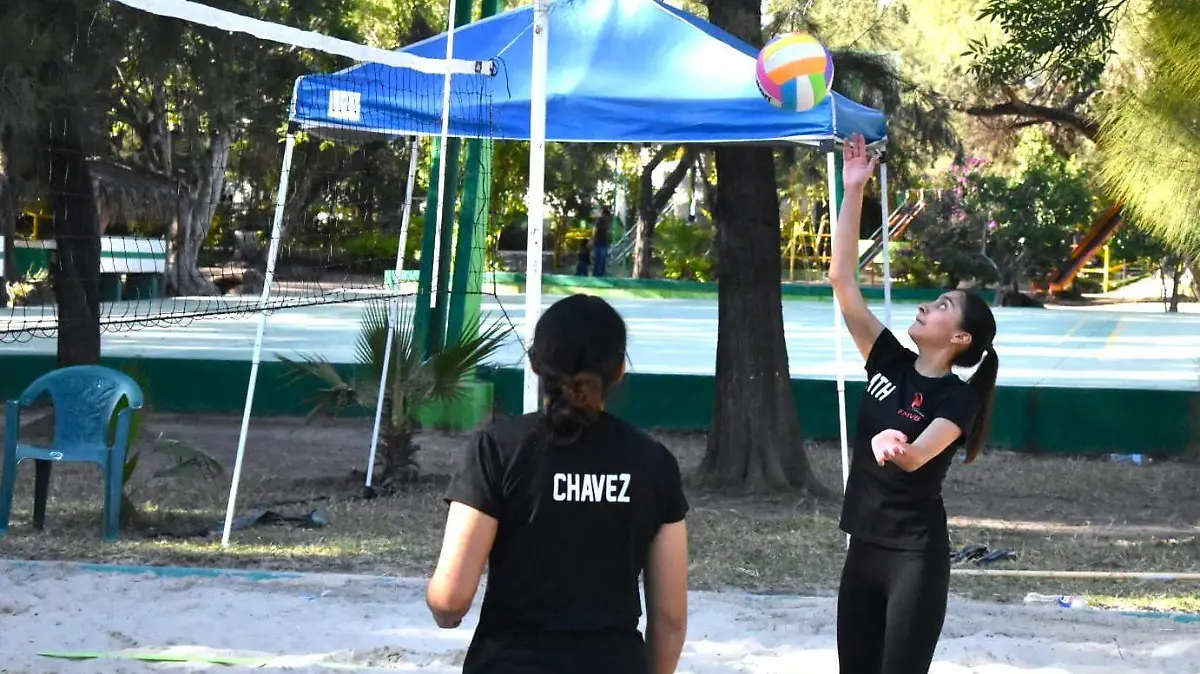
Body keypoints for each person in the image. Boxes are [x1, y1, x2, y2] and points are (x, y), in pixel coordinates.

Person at [426, 294, 690, 674]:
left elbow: (450, 599)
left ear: (536, 364)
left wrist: (438, 606)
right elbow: (670, 620)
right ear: (618, 371)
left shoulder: (496, 449)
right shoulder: (654, 462)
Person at [830, 134, 1000, 674]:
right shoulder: (888, 361)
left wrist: (889, 443)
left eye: (944, 306)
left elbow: (917, 454)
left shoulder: (958, 397)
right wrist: (853, 189)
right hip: (863, 548)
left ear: (960, 340)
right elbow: (841, 280)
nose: (928, 305)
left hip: (914, 560)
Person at [592, 207, 612, 276]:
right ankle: (597, 273)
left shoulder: (606, 222)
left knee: (602, 259)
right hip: (599, 242)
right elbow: (595, 231)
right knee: (599, 259)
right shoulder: (599, 221)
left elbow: (607, 233)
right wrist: (593, 240)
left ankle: (600, 273)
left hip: (603, 243)